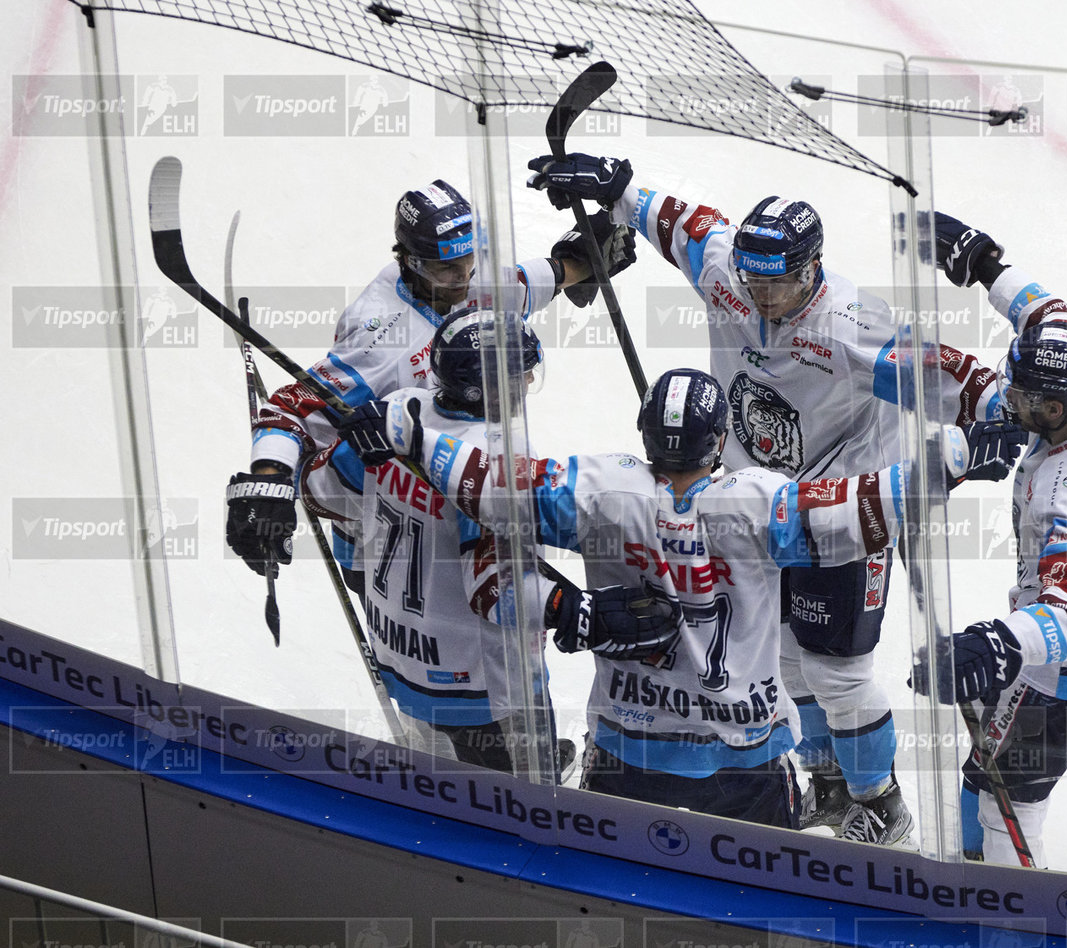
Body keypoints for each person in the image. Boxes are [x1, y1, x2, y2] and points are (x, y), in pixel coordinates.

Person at [338, 364, 1024, 832]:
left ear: (645, 436)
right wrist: (958, 455)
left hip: (624, 753)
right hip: (743, 762)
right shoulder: (760, 504)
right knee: (761, 909)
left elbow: (491, 483)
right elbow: (864, 505)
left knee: (610, 896)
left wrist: (408, 435)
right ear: (719, 439)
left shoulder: (601, 489)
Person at [525, 153, 919, 844]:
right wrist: (617, 188)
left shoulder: (859, 324)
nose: (763, 297)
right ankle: (827, 780)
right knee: (783, 655)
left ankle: (882, 803)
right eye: (753, 281)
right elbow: (681, 222)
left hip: (838, 514)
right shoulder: (727, 272)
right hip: (751, 511)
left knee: (837, 669)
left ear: (813, 269)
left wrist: (985, 418)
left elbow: (940, 378)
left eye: (782, 283)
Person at [301, 309, 674, 769]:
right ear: (488, 387)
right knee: (519, 806)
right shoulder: (498, 455)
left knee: (433, 775)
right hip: (479, 686)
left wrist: (346, 444)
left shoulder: (397, 410)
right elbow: (494, 590)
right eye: (522, 372)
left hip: (400, 653)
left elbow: (322, 497)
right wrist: (576, 611)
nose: (530, 378)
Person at [225, 177, 635, 594]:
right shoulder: (379, 336)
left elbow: (520, 287)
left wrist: (583, 262)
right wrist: (269, 483)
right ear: (410, 260)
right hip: (381, 518)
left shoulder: (464, 274)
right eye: (447, 269)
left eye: (468, 261)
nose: (464, 278)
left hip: (457, 491)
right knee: (405, 608)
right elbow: (287, 411)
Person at [914, 211, 1067, 866]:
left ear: (1055, 410)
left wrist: (1000, 644)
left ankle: (1006, 919)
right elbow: (1047, 314)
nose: (1008, 401)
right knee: (990, 765)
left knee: (1009, 803)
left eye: (1021, 398)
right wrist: (986, 265)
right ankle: (967, 873)